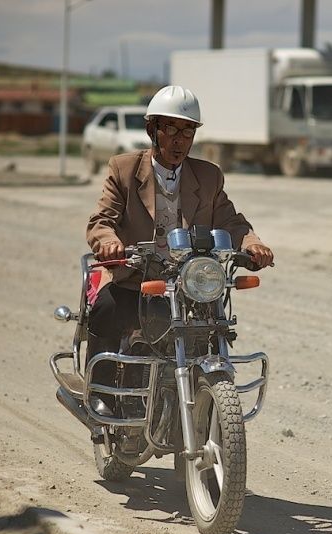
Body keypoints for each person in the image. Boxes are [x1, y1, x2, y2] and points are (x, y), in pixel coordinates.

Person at [85, 85, 273, 417]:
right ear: (152, 131)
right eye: (170, 129)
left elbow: (231, 221)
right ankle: (101, 392)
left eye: (187, 131)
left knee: (213, 328)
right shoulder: (124, 169)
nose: (178, 140)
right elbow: (102, 220)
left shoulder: (208, 176)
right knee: (105, 308)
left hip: (189, 286)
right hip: (137, 280)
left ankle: (207, 401)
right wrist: (109, 241)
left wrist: (252, 244)